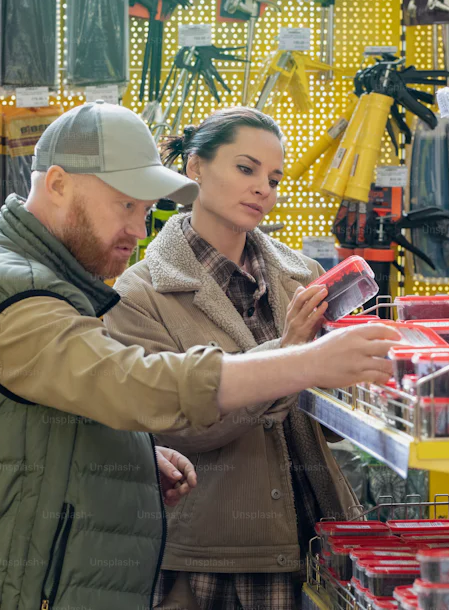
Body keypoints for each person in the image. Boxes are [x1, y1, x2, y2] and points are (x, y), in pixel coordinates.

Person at [0, 101, 399, 610]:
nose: (139, 229)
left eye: (144, 209)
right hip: (2, 586)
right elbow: (136, 385)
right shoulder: (20, 293)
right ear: (59, 184)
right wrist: (302, 361)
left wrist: (128, 454)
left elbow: (52, 408)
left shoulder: (24, 267)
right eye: (125, 205)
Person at [105, 107, 357, 610]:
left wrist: (352, 364)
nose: (263, 188)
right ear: (195, 167)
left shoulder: (302, 276)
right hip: (218, 558)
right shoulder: (139, 295)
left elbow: (331, 426)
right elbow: (180, 428)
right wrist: (290, 352)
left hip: (320, 538)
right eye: (246, 169)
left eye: (274, 178)